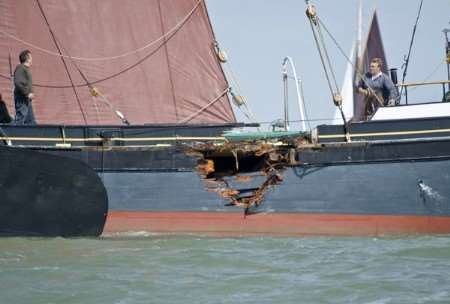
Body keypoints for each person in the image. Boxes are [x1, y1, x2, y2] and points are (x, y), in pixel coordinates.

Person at [14, 49, 36, 124]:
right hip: (22, 99)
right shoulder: (21, 68)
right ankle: (15, 134)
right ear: (28, 58)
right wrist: (27, 93)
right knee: (21, 118)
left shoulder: (26, 69)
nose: (32, 59)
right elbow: (18, 82)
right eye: (31, 57)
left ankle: (33, 134)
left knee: (31, 121)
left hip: (26, 100)